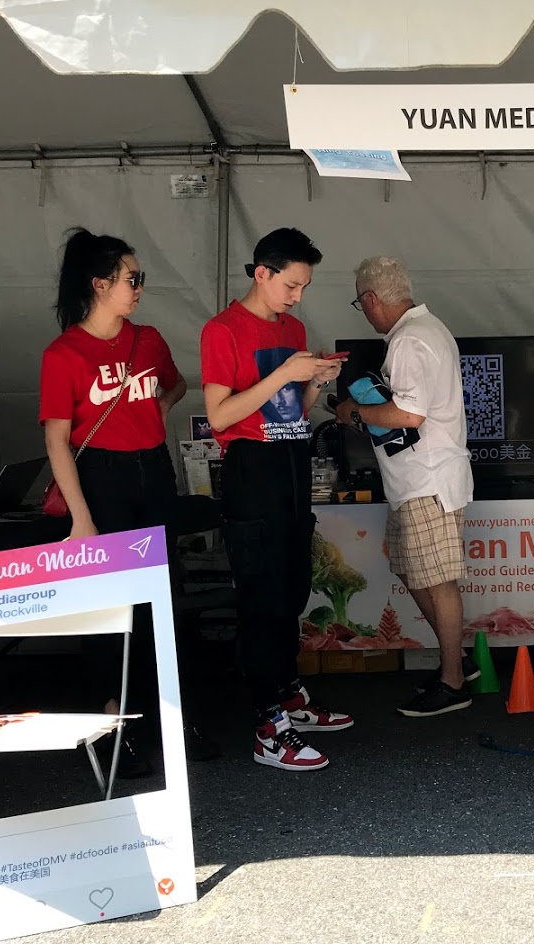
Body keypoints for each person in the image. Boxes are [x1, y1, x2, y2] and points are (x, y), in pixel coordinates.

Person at [39, 228, 217, 769]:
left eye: (140, 278)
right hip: (101, 477)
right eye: (131, 278)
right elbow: (57, 440)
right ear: (100, 284)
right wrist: (82, 519)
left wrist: (156, 408)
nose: (139, 288)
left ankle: (176, 717)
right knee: (112, 605)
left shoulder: (149, 339)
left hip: (153, 470)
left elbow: (176, 383)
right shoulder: (65, 352)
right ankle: (116, 725)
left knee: (165, 596)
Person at [201, 227, 354, 772]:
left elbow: (292, 409)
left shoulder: (294, 328)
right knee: (262, 599)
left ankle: (288, 696)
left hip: (292, 463)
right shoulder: (222, 330)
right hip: (250, 469)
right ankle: (268, 724)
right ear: (261, 273)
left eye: (305, 286)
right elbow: (220, 416)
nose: (297, 296)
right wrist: (288, 370)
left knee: (291, 590)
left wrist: (315, 381)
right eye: (290, 284)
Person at [336, 256, 477, 717]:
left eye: (360, 304)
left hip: (427, 480)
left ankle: (453, 682)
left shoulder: (409, 339)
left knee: (437, 581)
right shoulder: (424, 330)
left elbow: (408, 415)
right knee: (411, 570)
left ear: (372, 298)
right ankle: (458, 662)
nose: (364, 312)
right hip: (414, 480)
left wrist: (353, 412)